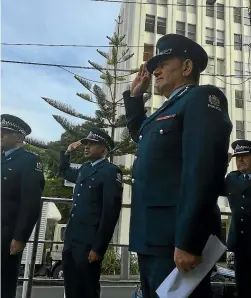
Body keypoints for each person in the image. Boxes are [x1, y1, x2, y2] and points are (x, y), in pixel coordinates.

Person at [123, 34, 232, 298]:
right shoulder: (164, 111)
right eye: (153, 66)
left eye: (162, 63)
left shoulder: (202, 98)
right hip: (152, 237)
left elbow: (202, 171)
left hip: (176, 239)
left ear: (186, 67)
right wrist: (135, 99)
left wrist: (189, 241)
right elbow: (144, 135)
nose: (155, 70)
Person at [60, 128, 123, 298]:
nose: (86, 147)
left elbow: (110, 213)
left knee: (87, 289)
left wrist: (98, 247)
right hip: (72, 240)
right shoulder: (85, 169)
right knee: (71, 287)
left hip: (89, 242)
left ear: (104, 149)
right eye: (86, 143)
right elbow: (64, 172)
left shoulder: (111, 172)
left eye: (93, 144)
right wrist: (67, 153)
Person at [1, 114, 45, 298]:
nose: (0, 135)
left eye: (5, 132)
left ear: (19, 137)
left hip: (6, 234)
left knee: (4, 284)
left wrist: (20, 237)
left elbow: (30, 203)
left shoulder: (30, 162)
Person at [225, 140, 251, 298]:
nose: (240, 160)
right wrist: (223, 164)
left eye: (245, 156)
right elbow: (211, 185)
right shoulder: (232, 178)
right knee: (242, 285)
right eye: (237, 156)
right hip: (240, 242)